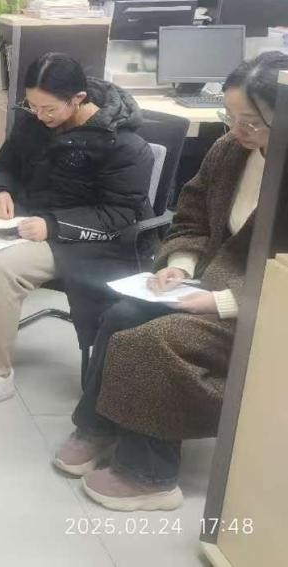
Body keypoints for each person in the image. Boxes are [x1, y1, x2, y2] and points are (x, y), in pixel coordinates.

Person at [53, 51, 288, 512]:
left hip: (264, 304)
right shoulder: (229, 151)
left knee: (155, 342)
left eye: (251, 122)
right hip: (207, 283)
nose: (238, 131)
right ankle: (100, 424)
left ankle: (151, 476)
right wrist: (181, 263)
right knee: (120, 315)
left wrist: (223, 302)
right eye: (231, 117)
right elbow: (192, 215)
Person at [0, 53, 154, 412]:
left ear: (78, 99)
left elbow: (120, 215)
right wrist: (1, 192)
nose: (40, 116)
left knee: (3, 267)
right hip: (30, 224)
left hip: (85, 242)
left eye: (49, 109)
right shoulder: (32, 123)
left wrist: (53, 226)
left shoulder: (122, 145)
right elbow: (4, 166)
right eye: (32, 106)